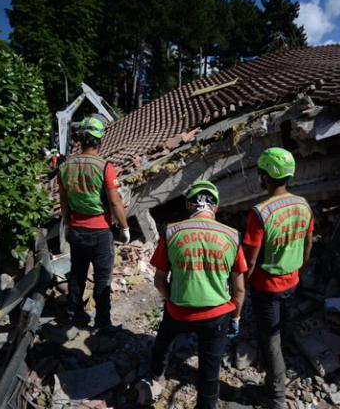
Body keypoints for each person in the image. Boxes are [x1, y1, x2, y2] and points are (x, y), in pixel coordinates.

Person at [146, 180, 247, 409]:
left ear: (189, 206)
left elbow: (159, 280)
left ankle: (156, 373)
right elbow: (239, 289)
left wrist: (172, 298)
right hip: (217, 315)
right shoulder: (232, 236)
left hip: (178, 310)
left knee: (164, 339)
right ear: (216, 207)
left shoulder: (172, 231)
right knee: (210, 369)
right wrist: (236, 318)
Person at [243, 147, 314, 409]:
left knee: (270, 339)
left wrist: (240, 287)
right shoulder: (303, 204)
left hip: (267, 286)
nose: (260, 176)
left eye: (261, 172)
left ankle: (276, 398)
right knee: (279, 330)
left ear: (267, 176)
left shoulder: (260, 213)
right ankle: (269, 369)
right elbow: (308, 245)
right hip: (292, 281)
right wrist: (298, 272)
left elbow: (250, 260)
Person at [57, 113, 130, 331]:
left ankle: (75, 314)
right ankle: (102, 322)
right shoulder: (104, 166)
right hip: (100, 231)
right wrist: (125, 227)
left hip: (76, 229)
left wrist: (68, 224)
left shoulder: (65, 167)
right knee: (102, 277)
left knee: (78, 273)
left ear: (81, 140)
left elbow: (63, 202)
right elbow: (115, 202)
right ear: (99, 140)